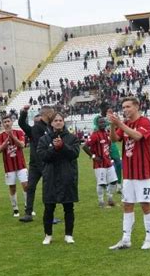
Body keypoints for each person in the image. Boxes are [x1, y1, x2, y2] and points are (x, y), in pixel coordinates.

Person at [108, 97, 150, 250]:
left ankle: (149, 238)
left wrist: (119, 123)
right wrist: (113, 126)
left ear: (136, 107)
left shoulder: (145, 122)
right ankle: (126, 239)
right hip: (128, 173)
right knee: (127, 205)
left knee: (145, 205)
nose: (125, 109)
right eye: (123, 107)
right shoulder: (126, 124)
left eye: (128, 106)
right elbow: (114, 139)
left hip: (143, 174)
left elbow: (138, 136)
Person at [37, 112, 80, 245]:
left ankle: (68, 235)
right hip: (51, 177)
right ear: (51, 123)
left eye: (60, 120)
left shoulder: (72, 138)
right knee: (49, 207)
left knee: (68, 207)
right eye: (55, 120)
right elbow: (43, 156)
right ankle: (48, 235)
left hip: (67, 177)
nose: (58, 122)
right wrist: (54, 149)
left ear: (63, 122)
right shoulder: (44, 140)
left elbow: (74, 154)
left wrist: (63, 146)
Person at [18, 105, 54, 222]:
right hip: (37, 164)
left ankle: (49, 214)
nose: (53, 115)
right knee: (31, 188)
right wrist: (24, 112)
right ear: (48, 114)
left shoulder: (49, 127)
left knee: (47, 188)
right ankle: (28, 213)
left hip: (45, 162)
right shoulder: (37, 128)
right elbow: (21, 123)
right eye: (52, 113)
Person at [0, 115, 28, 217]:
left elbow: (22, 145)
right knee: (12, 187)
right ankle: (15, 209)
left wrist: (13, 137)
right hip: (9, 167)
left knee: (26, 186)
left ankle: (28, 207)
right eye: (5, 122)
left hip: (21, 165)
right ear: (3, 124)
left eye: (8, 121)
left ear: (12, 122)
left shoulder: (19, 132)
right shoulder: (0, 136)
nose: (7, 123)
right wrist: (6, 141)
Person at [82, 116, 117, 207]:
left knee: (113, 181)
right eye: (100, 122)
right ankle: (101, 202)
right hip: (99, 164)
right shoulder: (95, 135)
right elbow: (85, 146)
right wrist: (93, 156)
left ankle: (110, 198)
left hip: (108, 162)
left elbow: (108, 147)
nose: (102, 124)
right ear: (97, 124)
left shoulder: (106, 133)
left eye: (103, 122)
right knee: (101, 184)